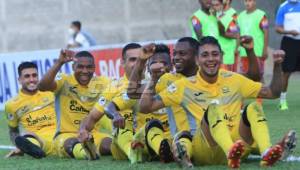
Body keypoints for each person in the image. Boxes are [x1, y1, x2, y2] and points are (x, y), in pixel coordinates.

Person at [139, 36, 295, 168]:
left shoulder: (233, 79)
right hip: (206, 149)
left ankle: (266, 151)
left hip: (239, 146)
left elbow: (273, 92)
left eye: (214, 54)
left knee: (253, 107)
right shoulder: (183, 86)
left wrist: (277, 65)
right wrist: (153, 79)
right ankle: (230, 151)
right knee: (214, 109)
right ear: (197, 59)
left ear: (221, 56)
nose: (210, 59)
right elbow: (146, 107)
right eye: (205, 55)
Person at [78, 43, 146, 164]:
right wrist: (83, 130)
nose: (137, 63)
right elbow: (92, 117)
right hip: (122, 142)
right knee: (121, 126)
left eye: (140, 59)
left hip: (150, 136)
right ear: (123, 63)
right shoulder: (113, 87)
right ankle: (133, 151)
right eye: (132, 59)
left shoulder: (155, 81)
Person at [38, 50, 112, 160]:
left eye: (89, 67)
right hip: (66, 135)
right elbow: (42, 86)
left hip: (93, 135)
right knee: (71, 144)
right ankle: (87, 153)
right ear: (73, 67)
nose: (85, 71)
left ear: (94, 67)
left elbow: (122, 89)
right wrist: (59, 62)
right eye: (80, 67)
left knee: (109, 145)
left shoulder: (103, 82)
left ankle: (90, 148)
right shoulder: (64, 80)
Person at [107, 44, 174, 163]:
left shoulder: (179, 84)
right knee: (126, 127)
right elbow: (111, 106)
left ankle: (166, 151)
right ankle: (133, 152)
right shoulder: (141, 89)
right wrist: (116, 115)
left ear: (171, 65)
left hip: (171, 139)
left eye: (164, 63)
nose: (159, 66)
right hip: (142, 141)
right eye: (154, 63)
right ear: (148, 67)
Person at [5, 62, 56, 159]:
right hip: (38, 141)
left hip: (60, 137)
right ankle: (33, 149)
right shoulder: (11, 105)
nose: (32, 80)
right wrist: (19, 146)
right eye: (27, 76)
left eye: (34, 75)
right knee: (27, 135)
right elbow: (13, 131)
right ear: (19, 80)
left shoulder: (51, 93)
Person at [275, 0, 300, 110]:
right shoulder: (283, 7)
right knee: (286, 72)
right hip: (289, 42)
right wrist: (289, 32)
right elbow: (278, 28)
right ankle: (282, 101)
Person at [238, 0, 269, 79]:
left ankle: (262, 91)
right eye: (245, 1)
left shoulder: (261, 15)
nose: (247, 3)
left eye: (250, 1)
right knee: (244, 77)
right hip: (244, 53)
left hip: (257, 52)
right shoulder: (240, 16)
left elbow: (266, 32)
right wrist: (238, 47)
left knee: (258, 77)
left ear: (254, 2)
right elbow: (239, 33)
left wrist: (265, 50)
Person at [212, 0, 239, 72]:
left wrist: (223, 33)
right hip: (214, 55)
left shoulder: (230, 17)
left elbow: (235, 35)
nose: (214, 7)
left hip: (226, 55)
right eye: (213, 5)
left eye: (217, 5)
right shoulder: (211, 17)